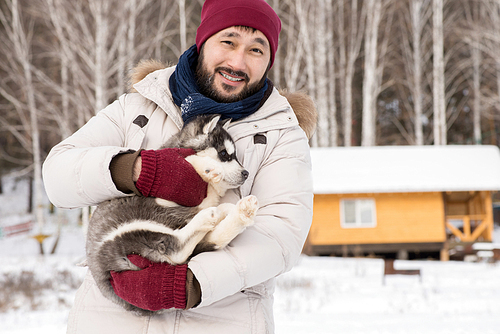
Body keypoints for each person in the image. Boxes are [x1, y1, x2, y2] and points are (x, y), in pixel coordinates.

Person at [42, 0, 316, 333]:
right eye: (228, 42)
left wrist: (190, 284)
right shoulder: (138, 108)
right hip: (112, 318)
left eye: (256, 50)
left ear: (269, 61)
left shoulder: (281, 134)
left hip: (223, 321)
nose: (238, 61)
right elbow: (57, 175)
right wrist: (136, 170)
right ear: (203, 42)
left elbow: (281, 236)